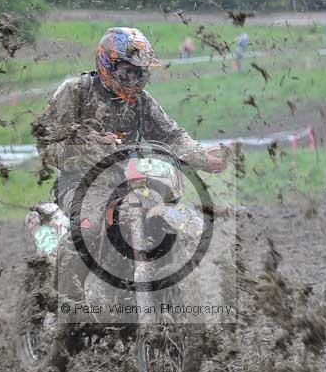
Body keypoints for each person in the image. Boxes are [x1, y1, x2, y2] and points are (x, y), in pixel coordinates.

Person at [32, 26, 226, 299]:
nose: (134, 80)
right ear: (108, 65)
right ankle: (62, 300)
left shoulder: (141, 102)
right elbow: (45, 143)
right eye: (128, 72)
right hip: (80, 180)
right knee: (88, 228)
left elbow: (172, 136)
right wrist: (87, 148)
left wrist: (203, 156)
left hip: (126, 181)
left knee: (168, 220)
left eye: (140, 73)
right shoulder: (76, 91)